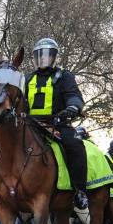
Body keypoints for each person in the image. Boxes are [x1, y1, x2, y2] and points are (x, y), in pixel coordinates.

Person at [25, 37, 87, 200]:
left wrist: (72, 107)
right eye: (39, 55)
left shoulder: (65, 76)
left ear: (54, 57)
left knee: (76, 146)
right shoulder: (27, 79)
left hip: (57, 124)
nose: (43, 59)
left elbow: (73, 95)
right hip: (31, 125)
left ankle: (79, 191)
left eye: (46, 55)